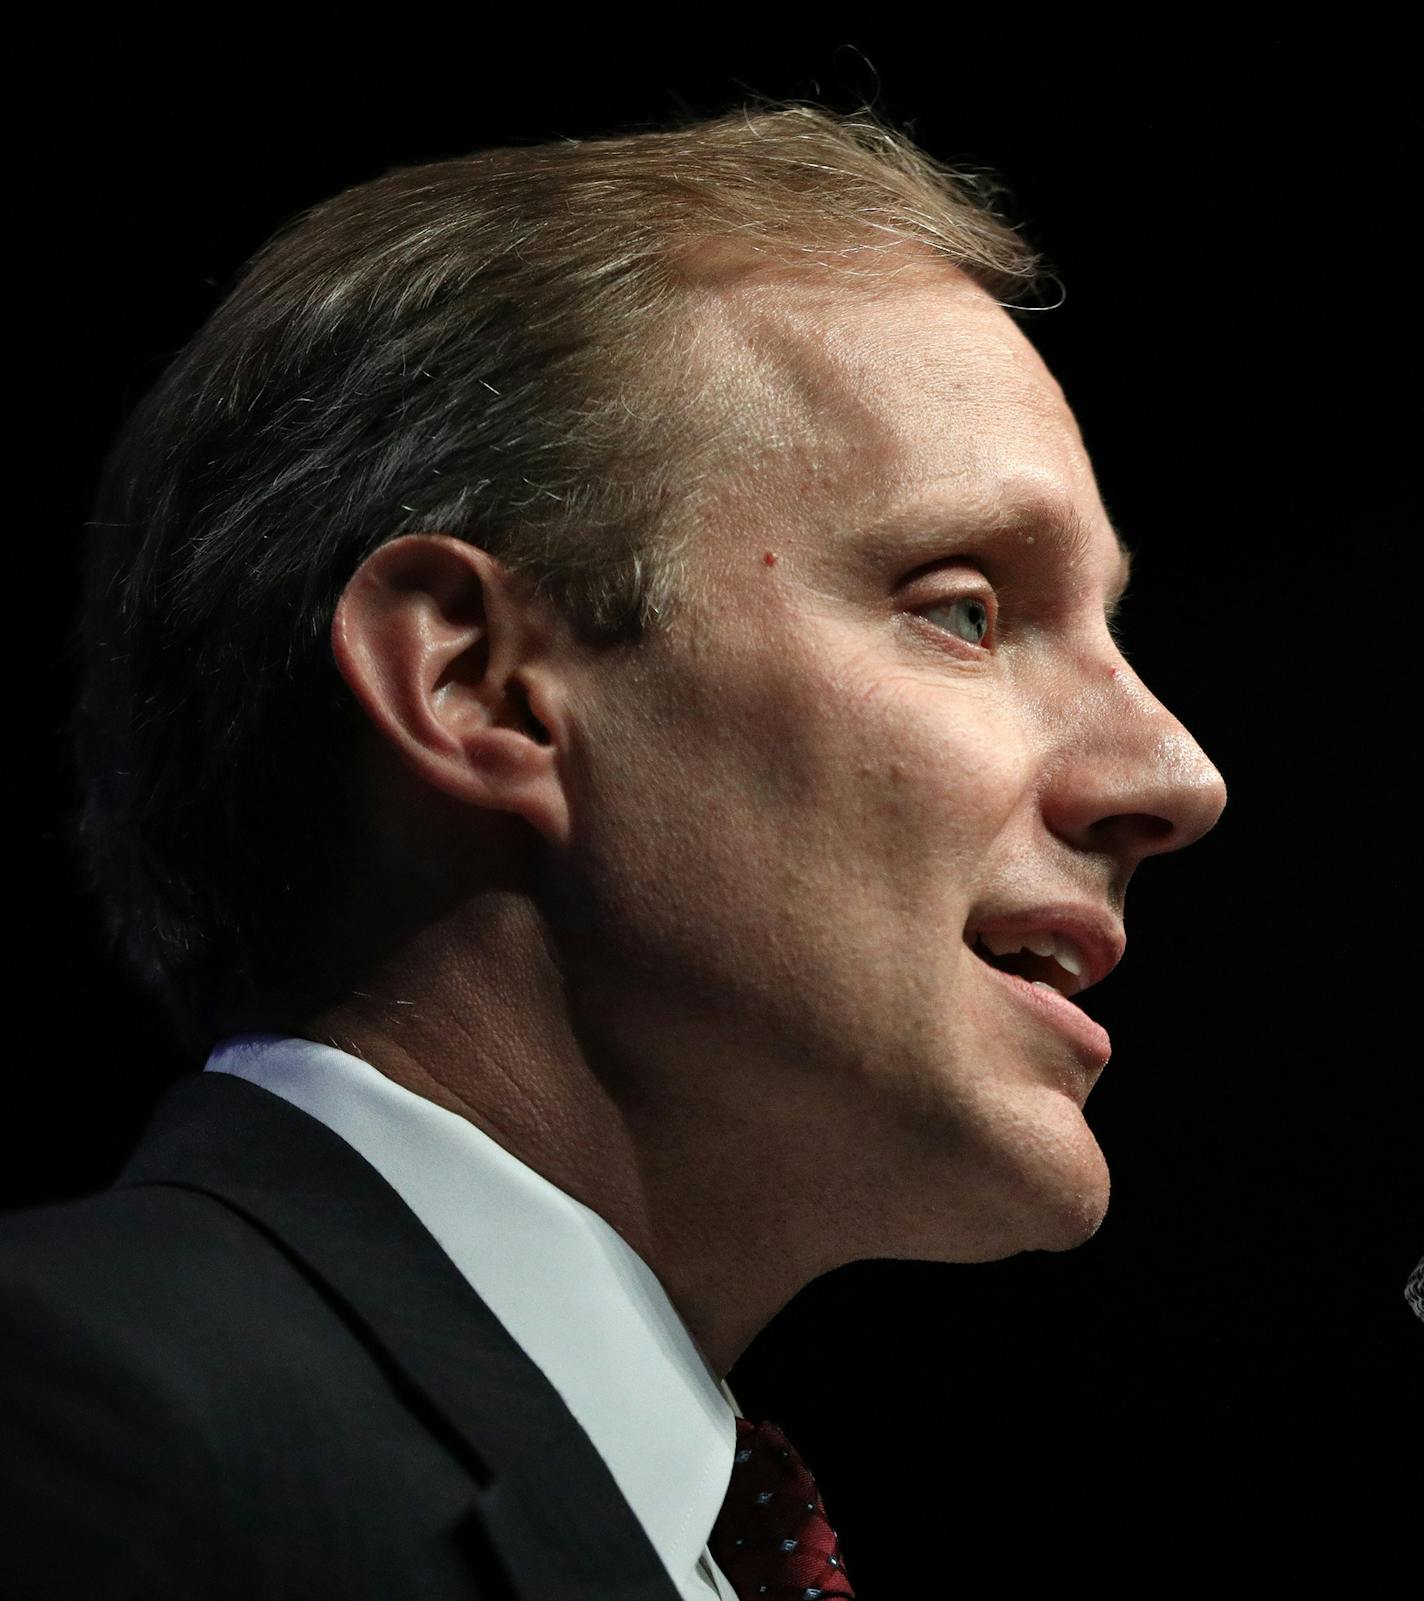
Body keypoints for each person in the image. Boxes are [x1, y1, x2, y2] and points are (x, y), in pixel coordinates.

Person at [0, 99, 1228, 1600]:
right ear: (483, 686)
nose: (1177, 775)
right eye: (964, 607)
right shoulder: (76, 1425)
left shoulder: (682, 1527)